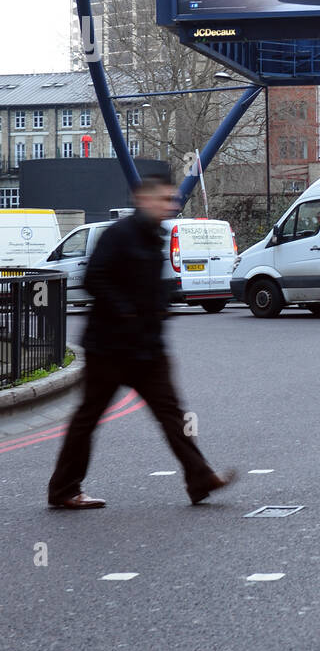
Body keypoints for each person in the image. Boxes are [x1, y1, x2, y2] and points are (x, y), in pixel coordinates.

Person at [47, 176, 236, 509]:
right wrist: (128, 313)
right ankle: (64, 490)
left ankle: (199, 477)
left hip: (146, 349)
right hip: (110, 347)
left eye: (172, 199)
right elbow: (94, 278)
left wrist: (160, 307)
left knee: (172, 415)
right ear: (143, 199)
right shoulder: (118, 235)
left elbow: (148, 283)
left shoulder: (153, 236)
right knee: (88, 418)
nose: (171, 205)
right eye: (164, 199)